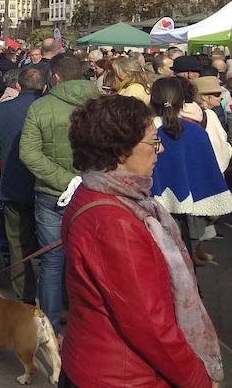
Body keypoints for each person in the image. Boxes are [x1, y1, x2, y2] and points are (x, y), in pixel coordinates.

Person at [61, 94, 222, 388]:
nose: (158, 151)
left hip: (101, 361)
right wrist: (197, 379)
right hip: (124, 374)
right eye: (152, 142)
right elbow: (149, 324)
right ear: (120, 150)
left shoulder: (103, 192)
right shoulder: (115, 220)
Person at [19, 55, 99, 338]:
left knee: (52, 262)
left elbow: (28, 152)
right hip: (95, 194)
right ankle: (87, 326)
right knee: (90, 262)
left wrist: (66, 181)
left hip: (53, 193)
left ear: (54, 77)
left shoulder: (41, 107)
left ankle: (50, 330)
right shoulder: (103, 105)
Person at [149, 77, 232, 262]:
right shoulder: (195, 132)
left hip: (150, 208)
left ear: (152, 100)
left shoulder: (145, 129)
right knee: (182, 262)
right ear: (182, 100)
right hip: (183, 211)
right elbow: (207, 166)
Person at [0, 67, 44, 304]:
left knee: (17, 240)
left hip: (13, 183)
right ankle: (56, 297)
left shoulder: (3, 109)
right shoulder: (49, 107)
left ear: (18, 87)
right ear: (43, 87)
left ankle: (25, 295)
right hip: (46, 185)